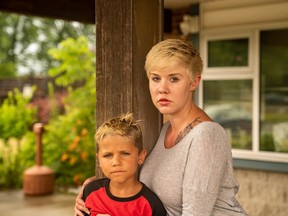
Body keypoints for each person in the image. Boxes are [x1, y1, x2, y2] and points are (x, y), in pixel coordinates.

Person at [75, 39, 248, 216]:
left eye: (174, 79)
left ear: (194, 82)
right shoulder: (166, 129)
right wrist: (96, 192)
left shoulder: (206, 135)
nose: (162, 89)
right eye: (156, 78)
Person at [80, 112, 166, 216]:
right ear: (99, 160)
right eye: (107, 155)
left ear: (141, 156)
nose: (116, 162)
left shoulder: (151, 205)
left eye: (125, 154)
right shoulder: (91, 192)